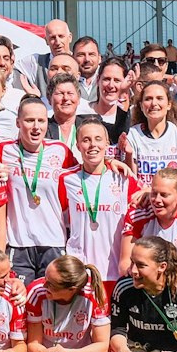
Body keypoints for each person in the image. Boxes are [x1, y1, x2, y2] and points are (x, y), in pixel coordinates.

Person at [0, 96, 76, 281]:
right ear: (18, 122)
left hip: (53, 242)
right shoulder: (2, 150)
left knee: (53, 303)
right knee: (20, 303)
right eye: (30, 120)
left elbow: (85, 170)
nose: (36, 127)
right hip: (18, 244)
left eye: (41, 121)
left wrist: (112, 163)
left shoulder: (60, 150)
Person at [58, 118, 136, 300]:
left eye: (98, 139)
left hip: (116, 272)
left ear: (107, 143)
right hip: (82, 272)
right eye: (86, 140)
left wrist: (114, 161)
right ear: (77, 145)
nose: (93, 145)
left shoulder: (123, 177)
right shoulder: (66, 179)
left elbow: (147, 197)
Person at [24, 253, 110, 352]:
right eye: (45, 278)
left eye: (51, 284)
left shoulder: (94, 293)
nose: (44, 285)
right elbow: (33, 346)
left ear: (71, 289)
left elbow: (102, 348)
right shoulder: (36, 292)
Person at [120, 80, 177, 178]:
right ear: (141, 106)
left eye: (159, 98)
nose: (154, 103)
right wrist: (129, 154)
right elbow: (131, 179)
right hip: (141, 192)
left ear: (169, 105)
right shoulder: (133, 135)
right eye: (148, 99)